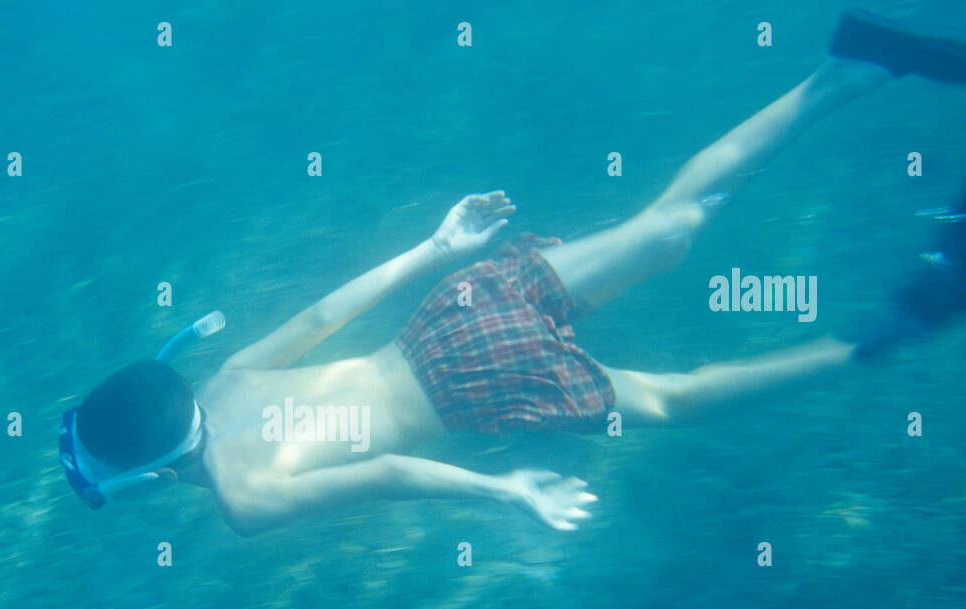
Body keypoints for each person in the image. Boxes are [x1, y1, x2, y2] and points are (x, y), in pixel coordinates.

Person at [59, 8, 966, 535]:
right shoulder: (223, 379)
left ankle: (897, 324)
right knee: (667, 226)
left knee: (673, 399)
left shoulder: (244, 500)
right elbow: (325, 313)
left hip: (477, 392)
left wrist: (507, 490)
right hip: (450, 315)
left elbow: (393, 476)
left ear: (144, 475)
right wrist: (435, 250)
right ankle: (848, 71)